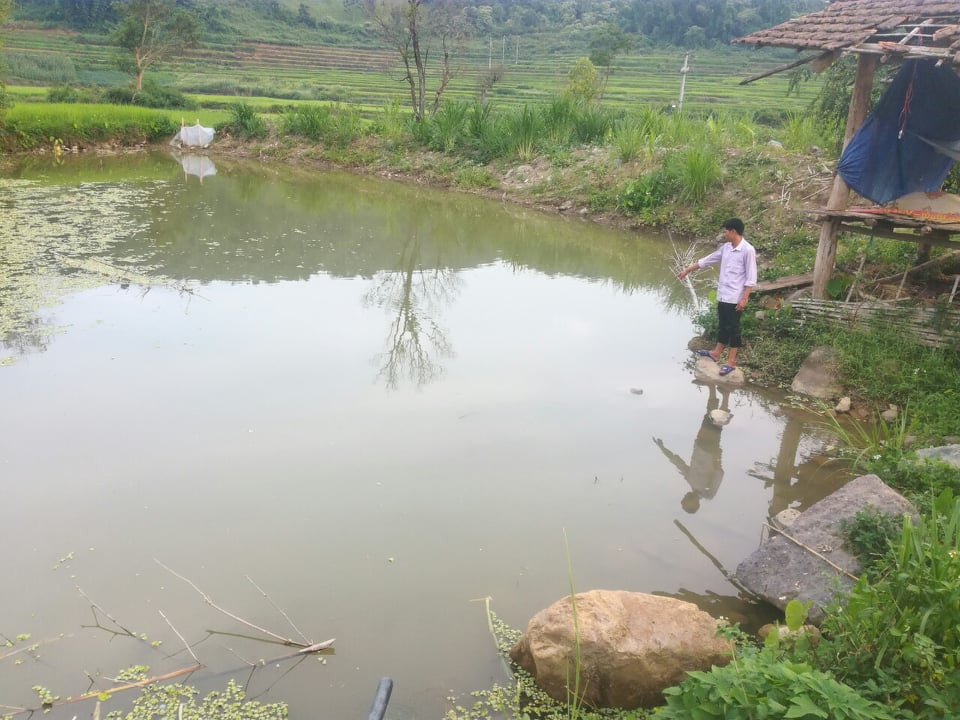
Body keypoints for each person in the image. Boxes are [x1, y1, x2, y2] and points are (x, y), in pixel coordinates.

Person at [676, 218, 757, 376]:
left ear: (733, 231)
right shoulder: (726, 248)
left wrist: (744, 298)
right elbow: (707, 260)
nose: (724, 234)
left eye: (725, 231)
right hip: (723, 295)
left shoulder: (748, 250)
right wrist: (688, 270)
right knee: (723, 325)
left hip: (735, 297)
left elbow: (751, 278)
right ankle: (716, 353)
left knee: (733, 329)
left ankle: (731, 361)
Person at [653, 385, 729, 514]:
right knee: (717, 421)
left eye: (683, 499)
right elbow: (719, 474)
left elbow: (676, 461)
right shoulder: (708, 493)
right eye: (685, 500)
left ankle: (713, 389)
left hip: (700, 443)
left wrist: (662, 448)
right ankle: (726, 396)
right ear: (695, 504)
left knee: (711, 417)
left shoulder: (690, 481)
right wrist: (717, 458)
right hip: (710, 450)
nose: (684, 496)